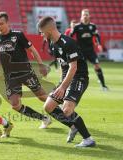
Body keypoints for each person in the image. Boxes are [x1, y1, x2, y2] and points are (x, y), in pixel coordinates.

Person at [0, 12, 52, 129]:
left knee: (42, 97)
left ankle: (61, 110)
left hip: (26, 73)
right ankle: (44, 119)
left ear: (7, 23)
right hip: (10, 77)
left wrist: (41, 65)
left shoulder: (18, 35)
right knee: (15, 105)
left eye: (1, 23)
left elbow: (32, 50)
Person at [38, 16, 96, 147]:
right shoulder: (52, 43)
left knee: (67, 109)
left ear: (49, 30)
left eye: (41, 32)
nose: (41, 35)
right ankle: (73, 126)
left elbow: (73, 67)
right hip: (67, 78)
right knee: (48, 107)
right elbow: (63, 66)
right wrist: (61, 82)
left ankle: (88, 139)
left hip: (79, 77)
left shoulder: (68, 42)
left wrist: (63, 87)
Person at [70, 9, 108, 91]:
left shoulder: (92, 26)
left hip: (90, 51)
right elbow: (71, 36)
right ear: (81, 16)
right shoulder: (77, 26)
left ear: (89, 16)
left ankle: (103, 85)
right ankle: (73, 85)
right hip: (81, 51)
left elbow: (97, 36)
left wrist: (99, 44)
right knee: (77, 69)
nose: (85, 16)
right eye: (84, 15)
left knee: (97, 66)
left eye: (86, 15)